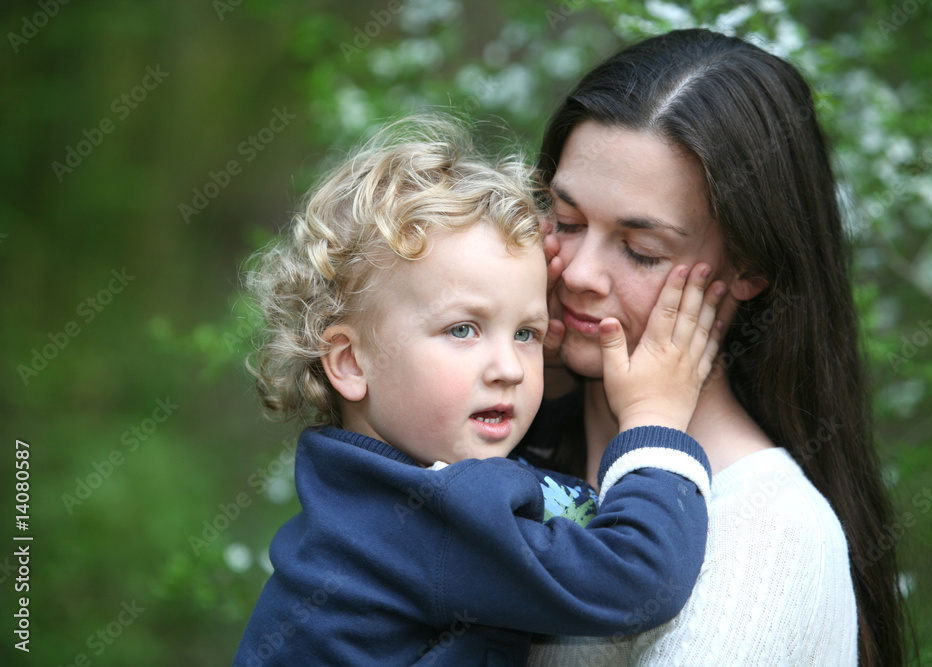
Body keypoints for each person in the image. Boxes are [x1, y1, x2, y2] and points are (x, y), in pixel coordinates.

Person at [233, 115, 730, 666]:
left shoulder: (359, 495)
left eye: (526, 334)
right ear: (350, 362)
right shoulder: (427, 519)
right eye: (462, 330)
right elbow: (636, 580)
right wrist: (652, 418)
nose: (510, 368)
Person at [523, 29, 908, 667]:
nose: (579, 272)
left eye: (640, 251)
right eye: (564, 221)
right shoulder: (502, 457)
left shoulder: (766, 533)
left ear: (749, 267)